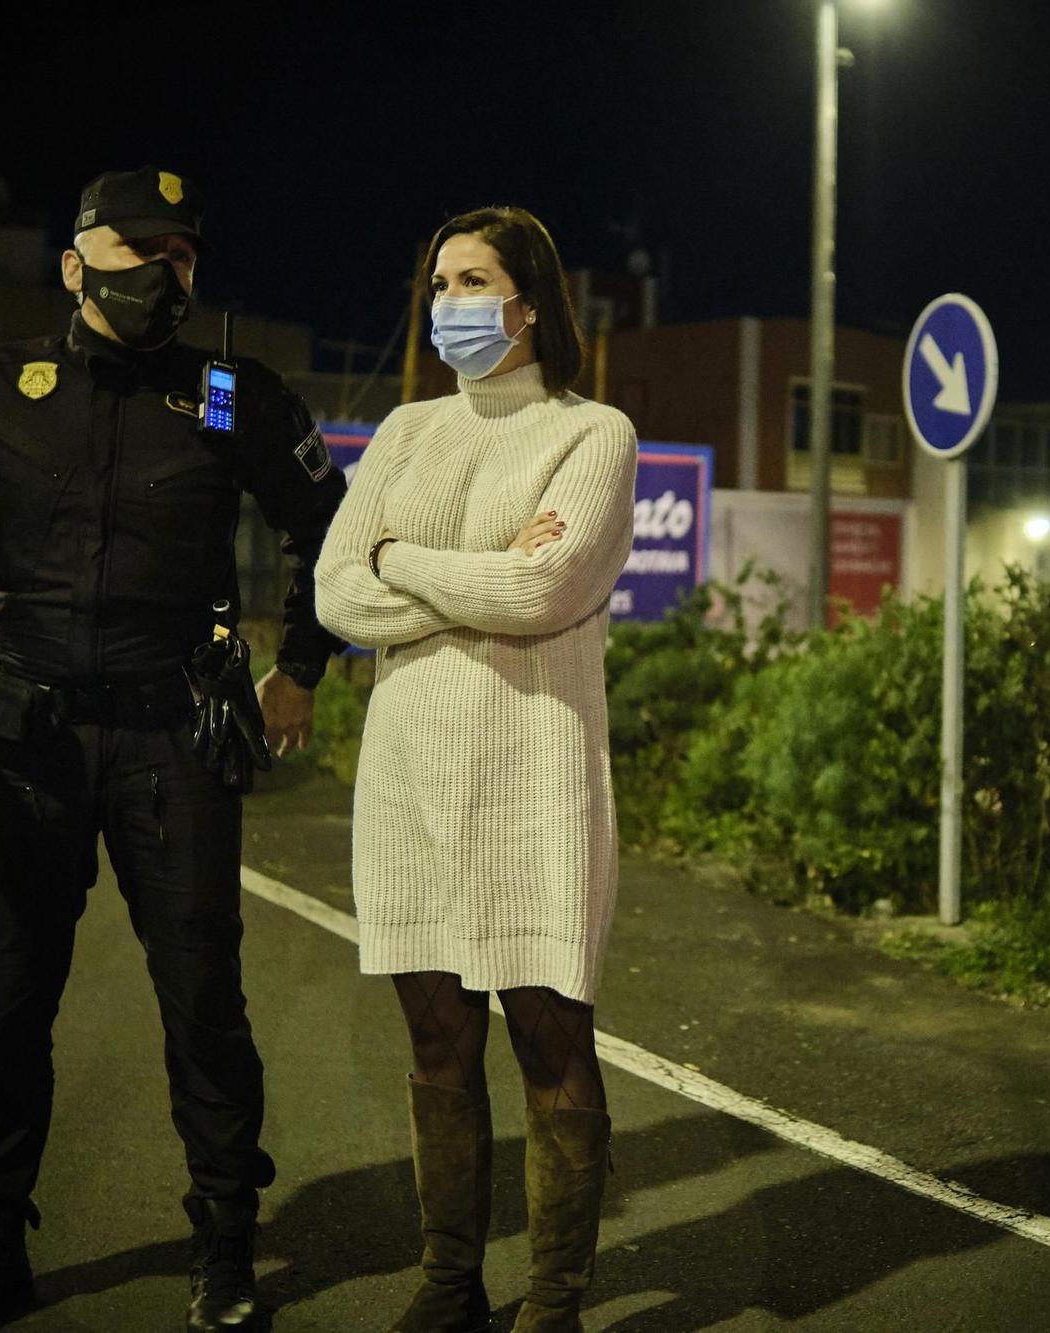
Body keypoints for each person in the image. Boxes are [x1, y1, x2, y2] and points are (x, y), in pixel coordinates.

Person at [0, 167, 347, 1333]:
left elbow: (330, 531)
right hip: (31, 741)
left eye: (181, 252)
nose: (162, 270)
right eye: (135, 248)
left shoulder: (224, 394)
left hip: (177, 735)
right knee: (8, 1008)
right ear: (74, 264)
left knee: (203, 999)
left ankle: (225, 1246)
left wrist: (300, 667)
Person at [313, 206, 637, 1333]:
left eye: (474, 279)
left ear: (529, 301)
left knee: (550, 1036)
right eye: (439, 281)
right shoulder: (403, 431)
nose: (451, 300)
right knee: (436, 1038)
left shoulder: (592, 434)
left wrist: (397, 565)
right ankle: (449, 1283)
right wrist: (443, 565)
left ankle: (551, 1304)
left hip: (532, 779)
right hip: (407, 779)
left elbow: (541, 593)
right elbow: (334, 590)